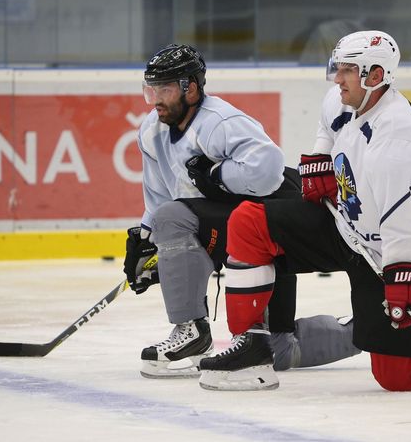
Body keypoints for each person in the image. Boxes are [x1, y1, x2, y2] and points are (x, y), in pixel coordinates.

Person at [198, 31, 411, 391]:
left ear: (375, 76)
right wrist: (320, 157)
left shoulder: (399, 142)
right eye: (338, 67)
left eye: (347, 70)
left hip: (387, 254)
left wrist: (402, 274)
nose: (337, 78)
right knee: (249, 221)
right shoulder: (343, 99)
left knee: (397, 377)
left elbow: (404, 221)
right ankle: (251, 346)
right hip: (343, 224)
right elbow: (327, 126)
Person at [123, 44, 360, 379]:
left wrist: (217, 175)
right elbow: (160, 195)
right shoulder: (152, 130)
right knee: (169, 219)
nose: (156, 99)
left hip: (276, 213)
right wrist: (147, 237)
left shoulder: (219, 122)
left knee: (279, 349)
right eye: (151, 90)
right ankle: (191, 329)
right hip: (237, 220)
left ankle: (371, 330)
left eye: (165, 89)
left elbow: (270, 170)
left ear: (190, 88)